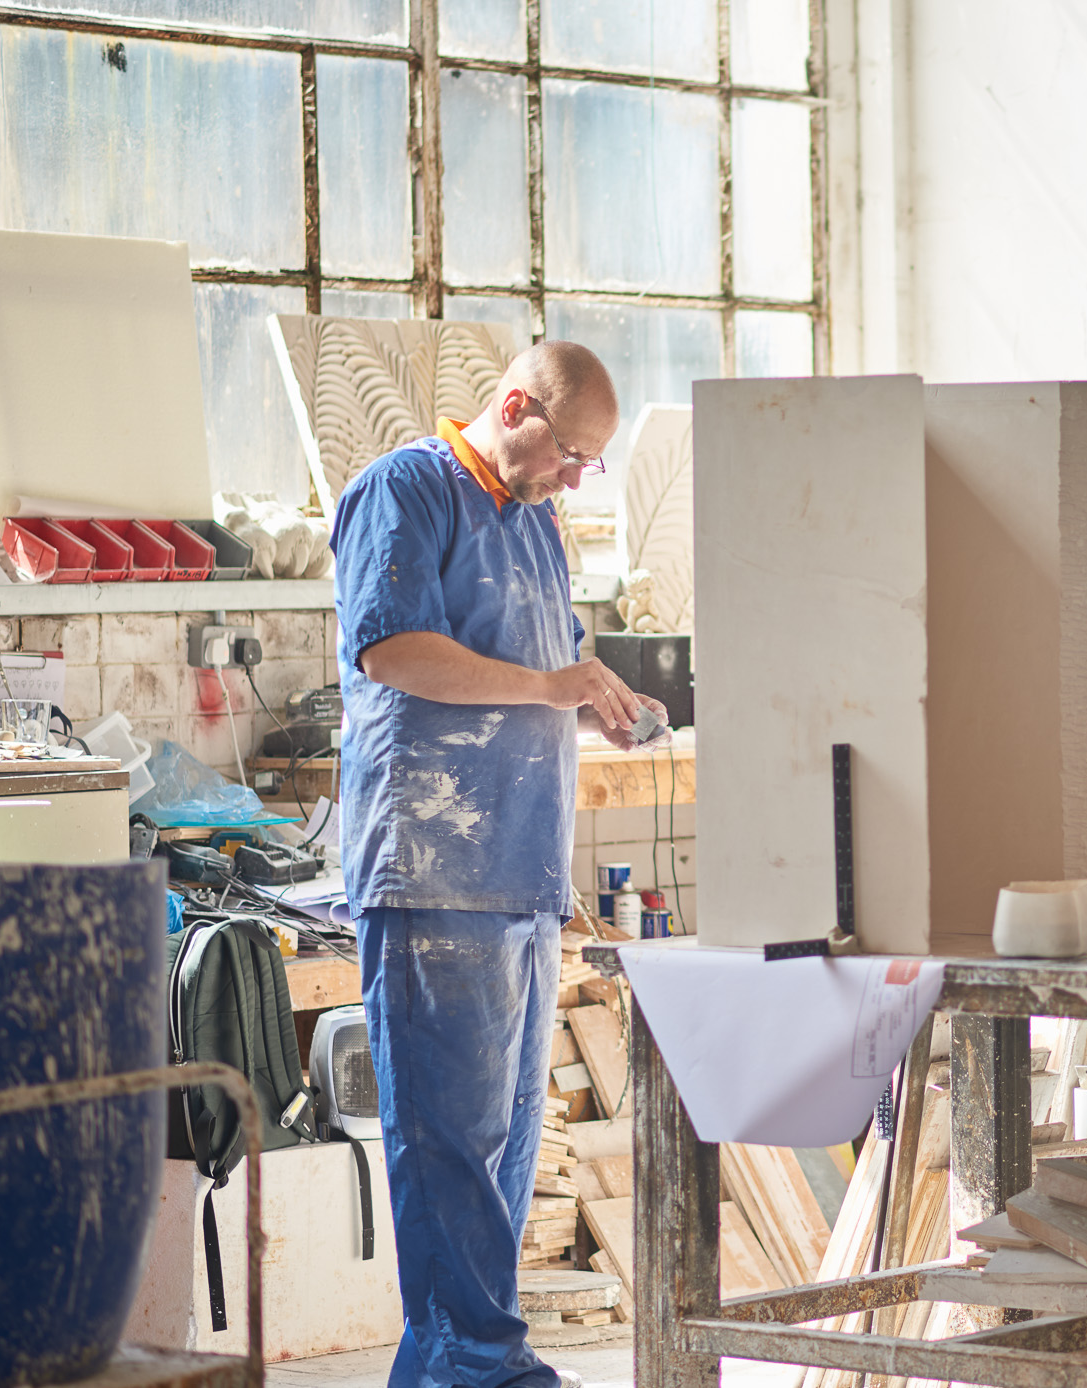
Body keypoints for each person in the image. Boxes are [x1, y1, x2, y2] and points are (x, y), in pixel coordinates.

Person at [331, 340, 669, 1388]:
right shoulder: (404, 488)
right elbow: (391, 649)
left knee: (506, 1151)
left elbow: (540, 661)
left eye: (588, 463)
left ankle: (453, 1364)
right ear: (513, 403)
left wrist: (597, 689)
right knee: (450, 1148)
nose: (575, 476)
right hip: (431, 864)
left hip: (517, 865)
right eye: (569, 451)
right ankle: (483, 1368)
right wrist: (544, 683)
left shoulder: (535, 520)